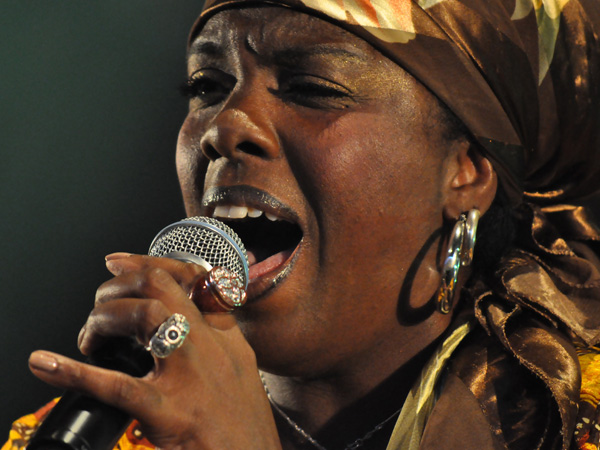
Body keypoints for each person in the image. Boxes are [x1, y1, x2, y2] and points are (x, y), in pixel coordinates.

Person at [4, 0, 600, 449]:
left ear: (465, 172)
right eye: (207, 87)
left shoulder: (572, 421)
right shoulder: (106, 434)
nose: (224, 126)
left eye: (311, 88)